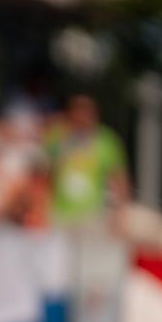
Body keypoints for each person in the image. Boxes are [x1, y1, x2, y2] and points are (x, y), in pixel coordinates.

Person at [45, 94, 129, 227]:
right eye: (78, 110)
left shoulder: (106, 141)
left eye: (86, 111)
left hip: (93, 215)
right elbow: (46, 173)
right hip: (59, 213)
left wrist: (121, 212)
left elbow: (119, 179)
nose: (82, 116)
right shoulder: (57, 137)